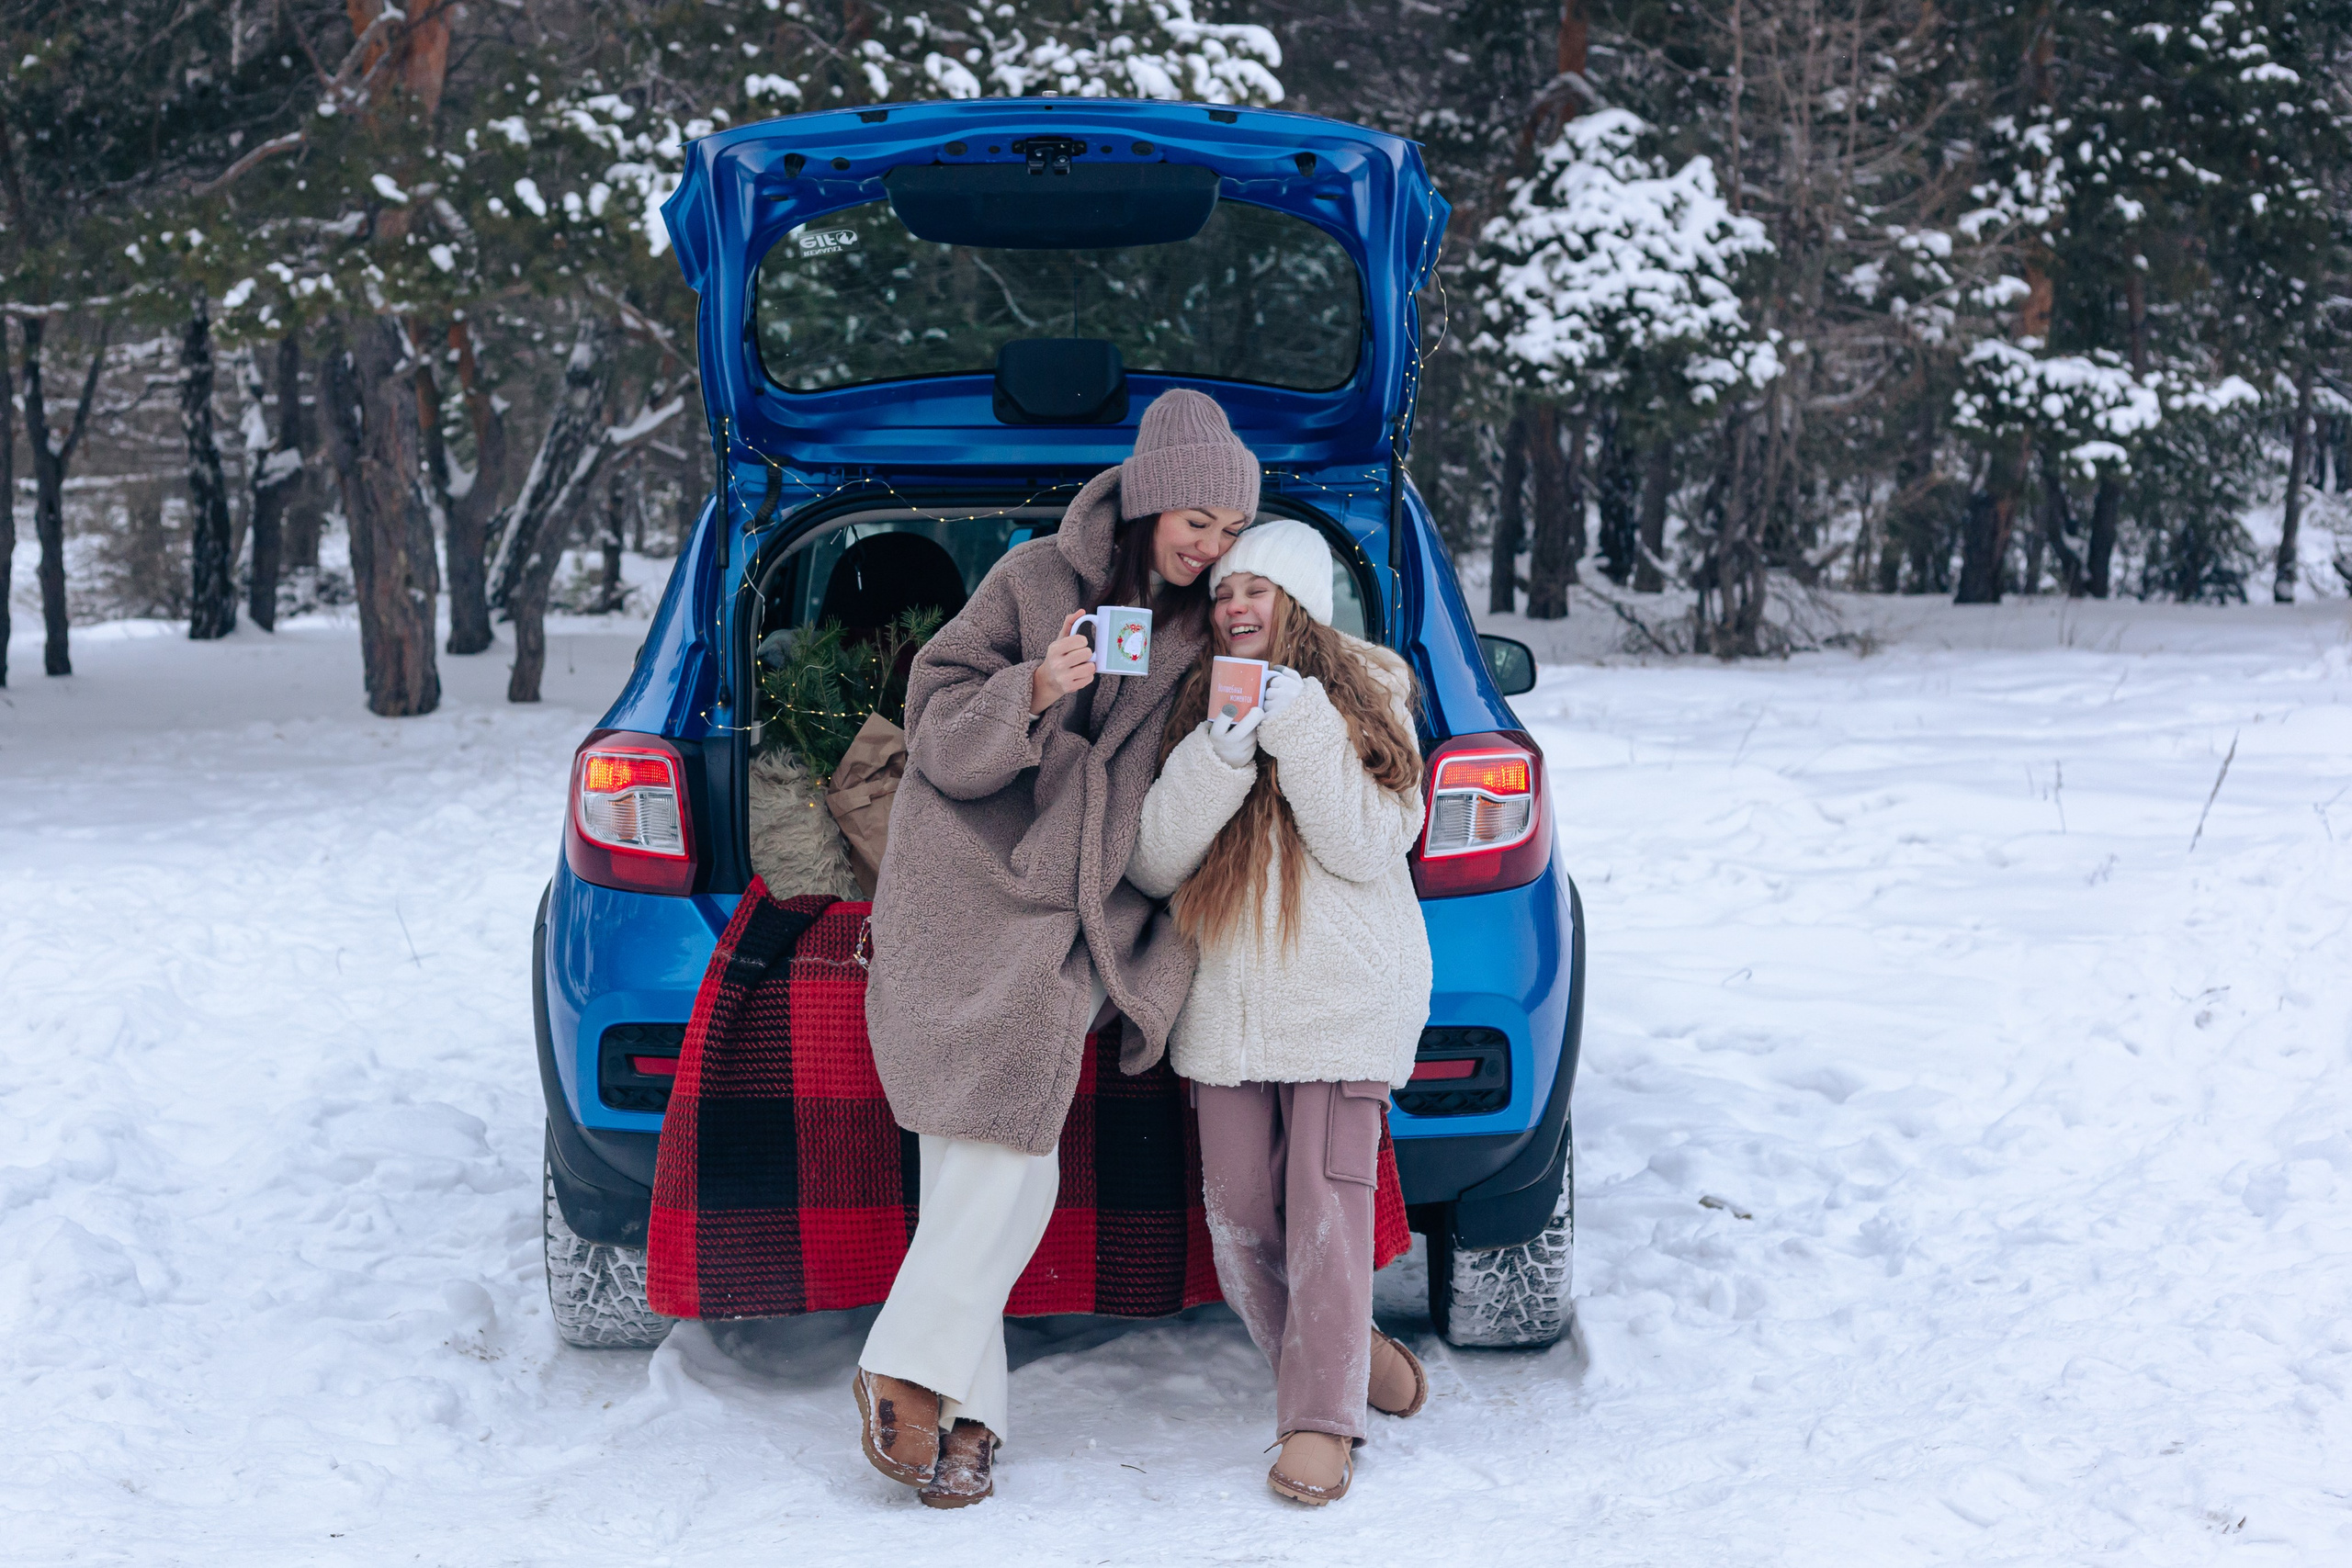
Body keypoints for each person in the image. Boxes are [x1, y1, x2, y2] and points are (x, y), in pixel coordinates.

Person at [854, 389, 1259, 1507]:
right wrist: (1035, 688)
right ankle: (966, 1416)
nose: (1209, 546)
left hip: (1079, 897)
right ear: (1150, 495)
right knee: (980, 1145)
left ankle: (910, 1368)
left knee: (1012, 1124)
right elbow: (935, 734)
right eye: (1196, 520)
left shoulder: (1202, 629)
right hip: (964, 875)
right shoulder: (1033, 579)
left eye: (1229, 533)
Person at [1126, 519, 1437, 1506]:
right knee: (1243, 1219)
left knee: (1327, 1211)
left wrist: (1299, 722)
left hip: (1343, 999)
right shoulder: (1198, 702)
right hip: (1227, 1013)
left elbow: (1363, 842)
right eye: (1222, 595)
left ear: (1299, 603)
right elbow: (1152, 863)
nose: (1233, 608)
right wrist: (1217, 755)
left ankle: (1318, 1419)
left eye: (1255, 591)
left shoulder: (1369, 690)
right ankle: (1357, 1355)